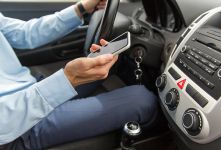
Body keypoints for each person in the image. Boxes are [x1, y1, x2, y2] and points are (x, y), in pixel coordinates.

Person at [0, 0, 158, 149]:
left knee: (110, 62)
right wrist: (67, 80)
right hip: (16, 128)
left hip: (29, 89)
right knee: (143, 99)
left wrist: (81, 8)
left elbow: (24, 33)